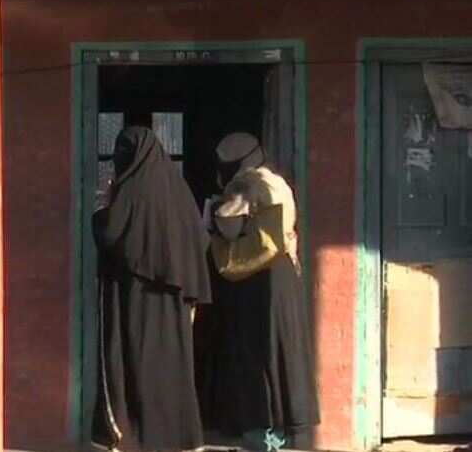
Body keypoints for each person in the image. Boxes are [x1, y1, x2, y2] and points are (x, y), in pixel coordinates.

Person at [92, 126, 212, 452]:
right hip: (173, 302)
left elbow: (112, 235)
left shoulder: (129, 193)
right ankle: (179, 437)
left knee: (135, 364)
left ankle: (135, 436)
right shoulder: (180, 192)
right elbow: (200, 239)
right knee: (172, 365)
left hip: (135, 299)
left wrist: (103, 207)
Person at [201, 132, 319, 451]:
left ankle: (262, 426)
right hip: (284, 273)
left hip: (256, 276)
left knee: (257, 351)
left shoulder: (246, 185)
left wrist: (212, 213)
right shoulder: (278, 182)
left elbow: (227, 223)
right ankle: (295, 427)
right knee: (285, 348)